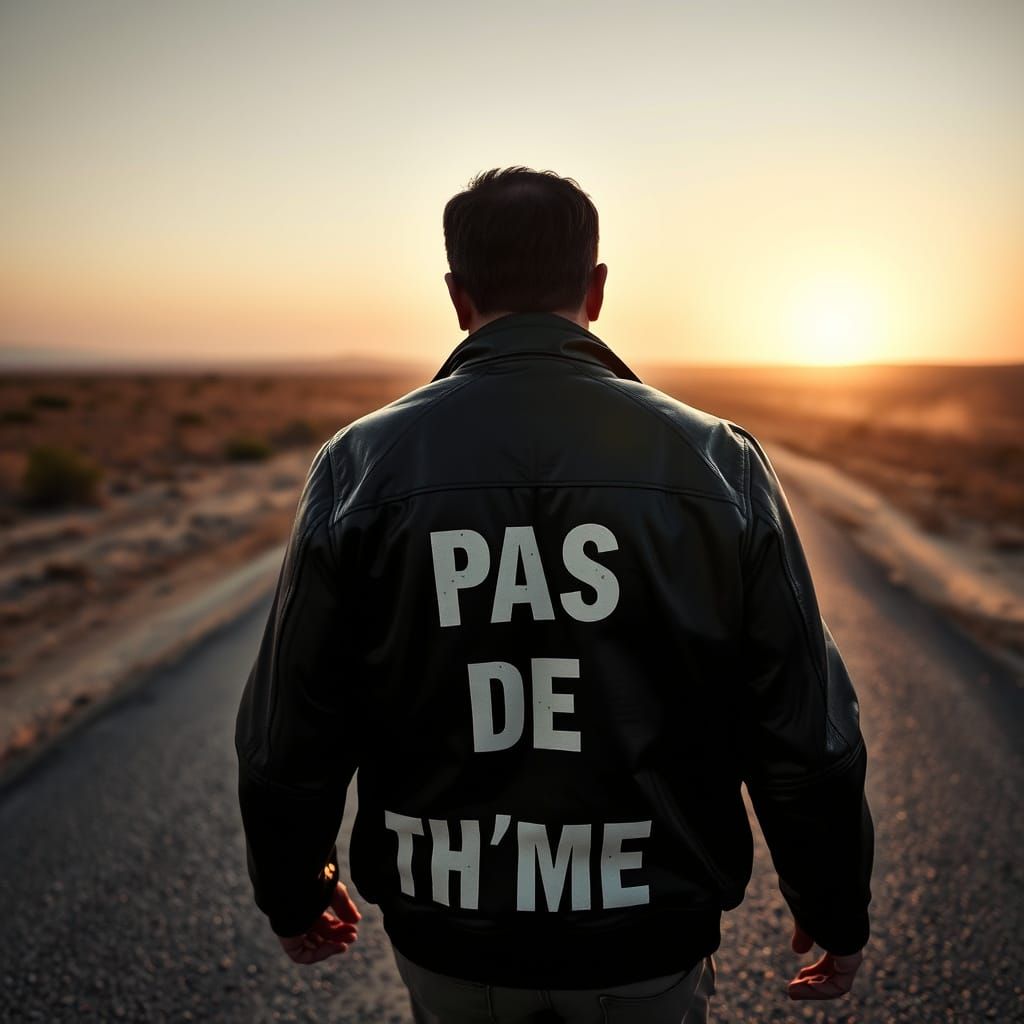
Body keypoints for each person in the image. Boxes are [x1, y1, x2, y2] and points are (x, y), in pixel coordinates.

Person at [235, 167, 874, 1022]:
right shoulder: (718, 462)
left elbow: (292, 726)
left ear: (459, 295)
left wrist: (294, 887)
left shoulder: (360, 464)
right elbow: (804, 731)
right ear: (596, 288)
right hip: (647, 932)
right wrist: (832, 904)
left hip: (451, 934)